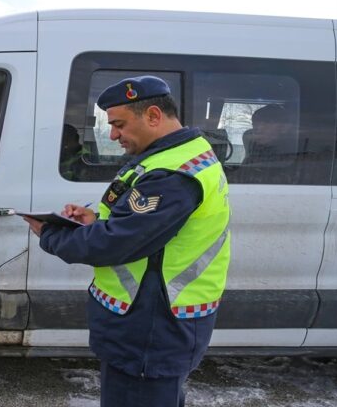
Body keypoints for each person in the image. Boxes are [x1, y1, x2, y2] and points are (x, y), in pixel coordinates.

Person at [23, 76, 231, 407]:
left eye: (119, 124)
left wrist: (51, 234)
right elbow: (139, 226)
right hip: (151, 322)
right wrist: (95, 221)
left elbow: (115, 243)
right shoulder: (176, 157)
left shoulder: (172, 175)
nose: (113, 135)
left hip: (150, 327)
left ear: (153, 115)